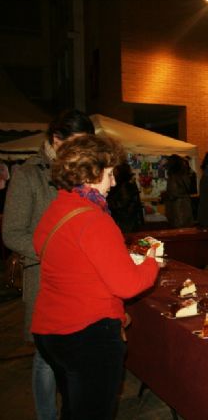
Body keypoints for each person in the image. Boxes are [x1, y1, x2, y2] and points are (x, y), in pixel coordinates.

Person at [31, 135, 159, 420]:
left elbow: (55, 254)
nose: (113, 183)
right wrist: (152, 262)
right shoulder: (94, 219)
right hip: (86, 337)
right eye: (110, 174)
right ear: (91, 173)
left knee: (74, 410)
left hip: (49, 332)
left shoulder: (57, 208)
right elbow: (128, 285)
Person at [2, 109, 95, 420]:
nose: (84, 151)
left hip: (79, 279)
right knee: (45, 357)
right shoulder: (28, 174)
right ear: (57, 140)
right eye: (78, 143)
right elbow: (12, 232)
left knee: (76, 352)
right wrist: (54, 251)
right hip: (43, 277)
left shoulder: (79, 170)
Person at [107, 162, 144, 233]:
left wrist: (107, 202)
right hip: (127, 220)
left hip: (125, 221)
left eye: (115, 170)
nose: (114, 172)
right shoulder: (127, 182)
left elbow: (122, 203)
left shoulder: (125, 184)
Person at [163, 154, 194, 228]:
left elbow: (173, 193)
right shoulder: (183, 174)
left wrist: (165, 195)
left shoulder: (173, 177)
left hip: (177, 208)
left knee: (179, 230)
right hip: (185, 205)